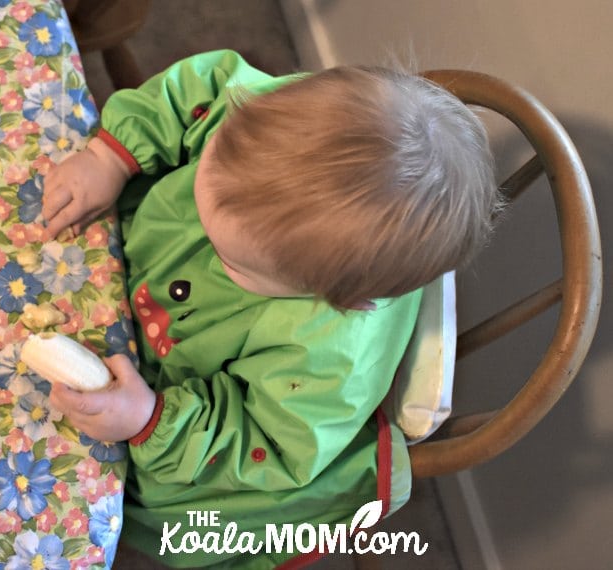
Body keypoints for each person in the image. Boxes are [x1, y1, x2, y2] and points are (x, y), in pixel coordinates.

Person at [43, 49, 497, 568]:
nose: (209, 238)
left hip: (187, 404)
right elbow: (201, 89)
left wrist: (149, 419)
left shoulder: (327, 359)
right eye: (208, 174)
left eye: (231, 261)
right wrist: (110, 158)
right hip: (132, 262)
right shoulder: (263, 120)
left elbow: (265, 444)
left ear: (339, 301)